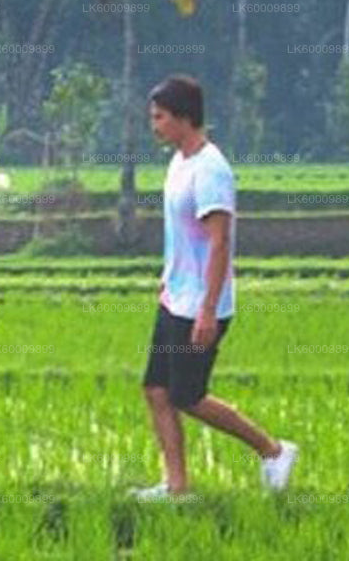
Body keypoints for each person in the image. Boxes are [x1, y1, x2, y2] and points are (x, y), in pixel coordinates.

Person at [133, 75, 297, 500]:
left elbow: (219, 242)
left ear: (184, 117)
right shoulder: (179, 162)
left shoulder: (210, 170)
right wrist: (167, 279)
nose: (154, 125)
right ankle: (176, 486)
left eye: (160, 117)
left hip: (201, 305)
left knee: (188, 395)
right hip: (176, 298)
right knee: (156, 389)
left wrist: (207, 310)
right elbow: (181, 235)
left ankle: (273, 450)